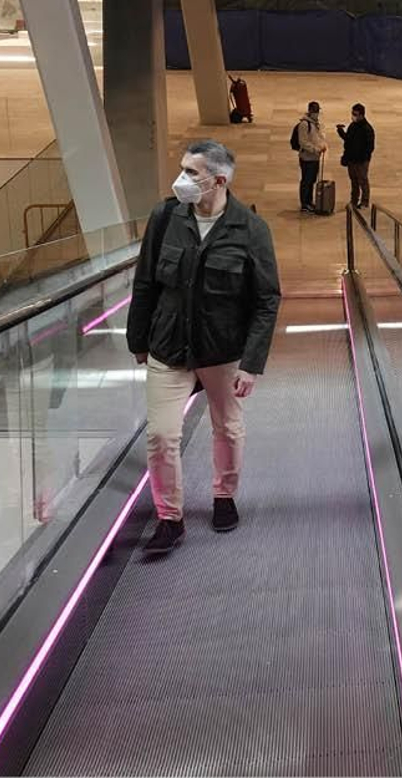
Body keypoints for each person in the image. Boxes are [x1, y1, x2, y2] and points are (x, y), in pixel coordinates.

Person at [126, 140, 282, 555]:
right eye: (182, 169)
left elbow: (267, 299)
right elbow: (145, 282)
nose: (181, 180)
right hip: (168, 345)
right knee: (161, 435)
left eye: (191, 173)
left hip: (222, 349)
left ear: (219, 180)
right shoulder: (165, 217)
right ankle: (169, 518)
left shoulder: (250, 230)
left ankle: (224, 496)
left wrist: (251, 363)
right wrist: (138, 340)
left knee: (227, 427)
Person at [336, 103, 376, 210]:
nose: (353, 116)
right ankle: (354, 200)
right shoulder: (353, 126)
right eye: (352, 113)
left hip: (361, 161)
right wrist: (341, 132)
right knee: (353, 181)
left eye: (355, 114)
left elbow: (370, 147)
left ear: (362, 115)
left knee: (362, 180)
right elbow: (348, 140)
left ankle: (364, 201)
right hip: (351, 159)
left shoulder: (367, 129)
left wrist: (363, 158)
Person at [292, 101, 328, 213]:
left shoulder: (315, 123)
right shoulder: (304, 125)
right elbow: (303, 142)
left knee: (312, 180)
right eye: (315, 111)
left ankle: (309, 201)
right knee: (306, 180)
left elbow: (318, 137)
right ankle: (304, 203)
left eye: (318, 111)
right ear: (310, 111)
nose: (316, 113)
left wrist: (322, 146)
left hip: (315, 157)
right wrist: (315, 149)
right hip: (307, 158)